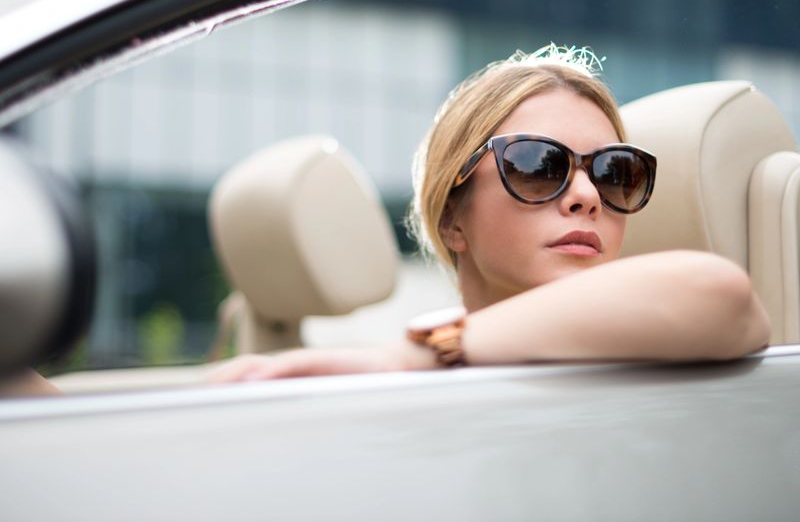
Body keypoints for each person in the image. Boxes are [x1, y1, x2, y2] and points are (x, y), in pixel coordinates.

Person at [209, 45, 770, 383]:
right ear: (453, 219)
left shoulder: (672, 350)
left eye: (614, 172)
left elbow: (724, 296)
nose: (587, 195)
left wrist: (430, 352)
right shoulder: (388, 377)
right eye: (538, 165)